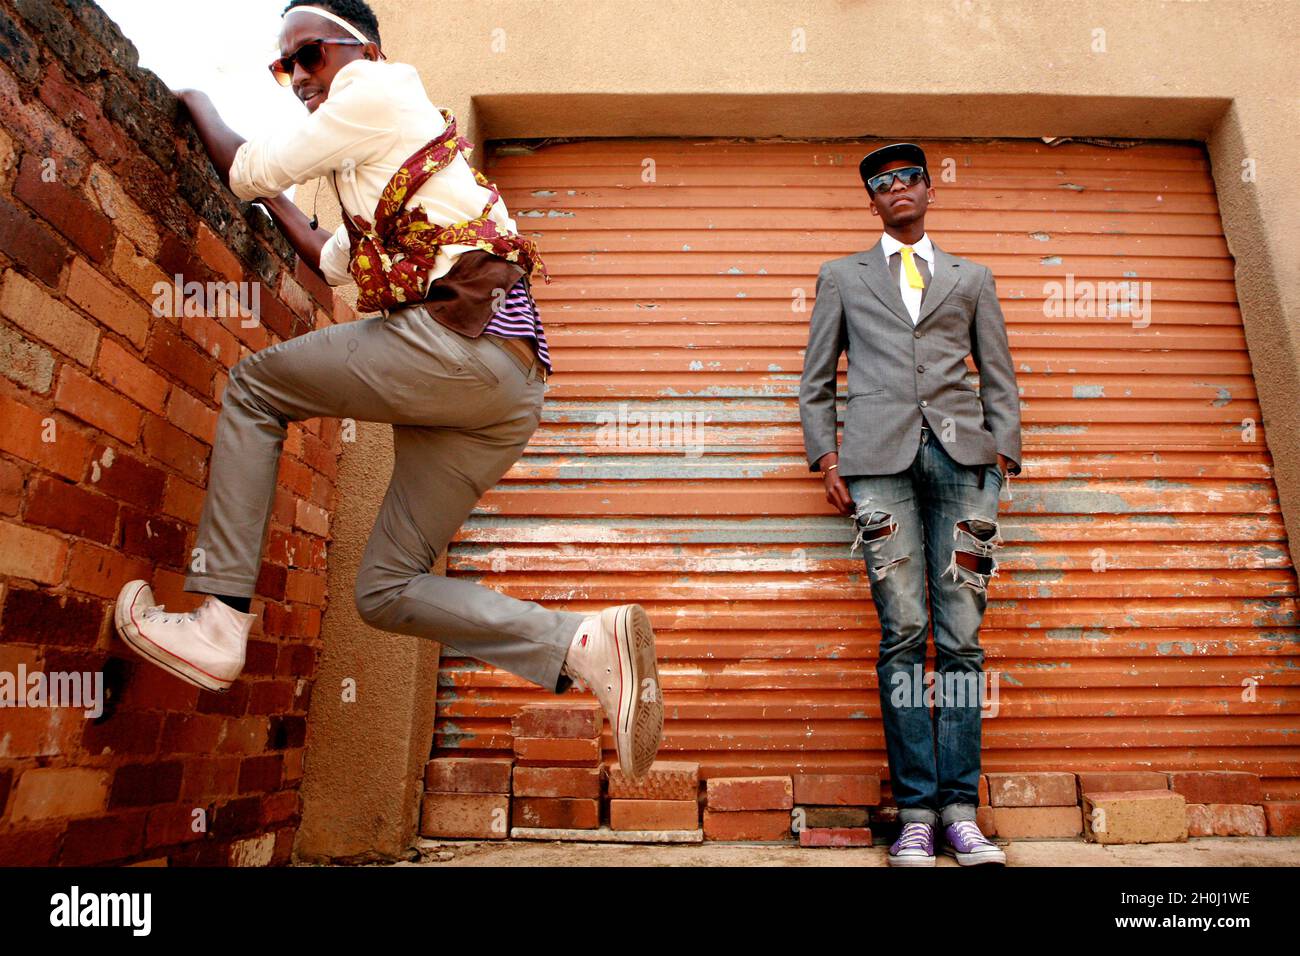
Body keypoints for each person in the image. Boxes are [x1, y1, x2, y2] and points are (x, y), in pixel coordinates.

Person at [112, 0, 663, 779]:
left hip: (458, 348)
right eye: (285, 66)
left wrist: (193, 97)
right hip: (504, 390)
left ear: (360, 48)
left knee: (255, 388)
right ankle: (578, 643)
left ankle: (217, 620)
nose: (300, 76)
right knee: (386, 590)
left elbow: (245, 170)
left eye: (311, 54)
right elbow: (321, 251)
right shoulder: (386, 158)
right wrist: (280, 198)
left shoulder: (378, 87)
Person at [798, 143, 1022, 864]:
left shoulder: (972, 277)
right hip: (876, 466)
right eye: (882, 184)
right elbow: (815, 380)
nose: (896, 189)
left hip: (964, 465)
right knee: (902, 631)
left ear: (928, 190)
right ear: (872, 202)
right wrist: (827, 457)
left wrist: (1003, 454)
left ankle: (961, 809)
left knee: (960, 637)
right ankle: (917, 811)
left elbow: (998, 371)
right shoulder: (842, 276)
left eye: (907, 179)